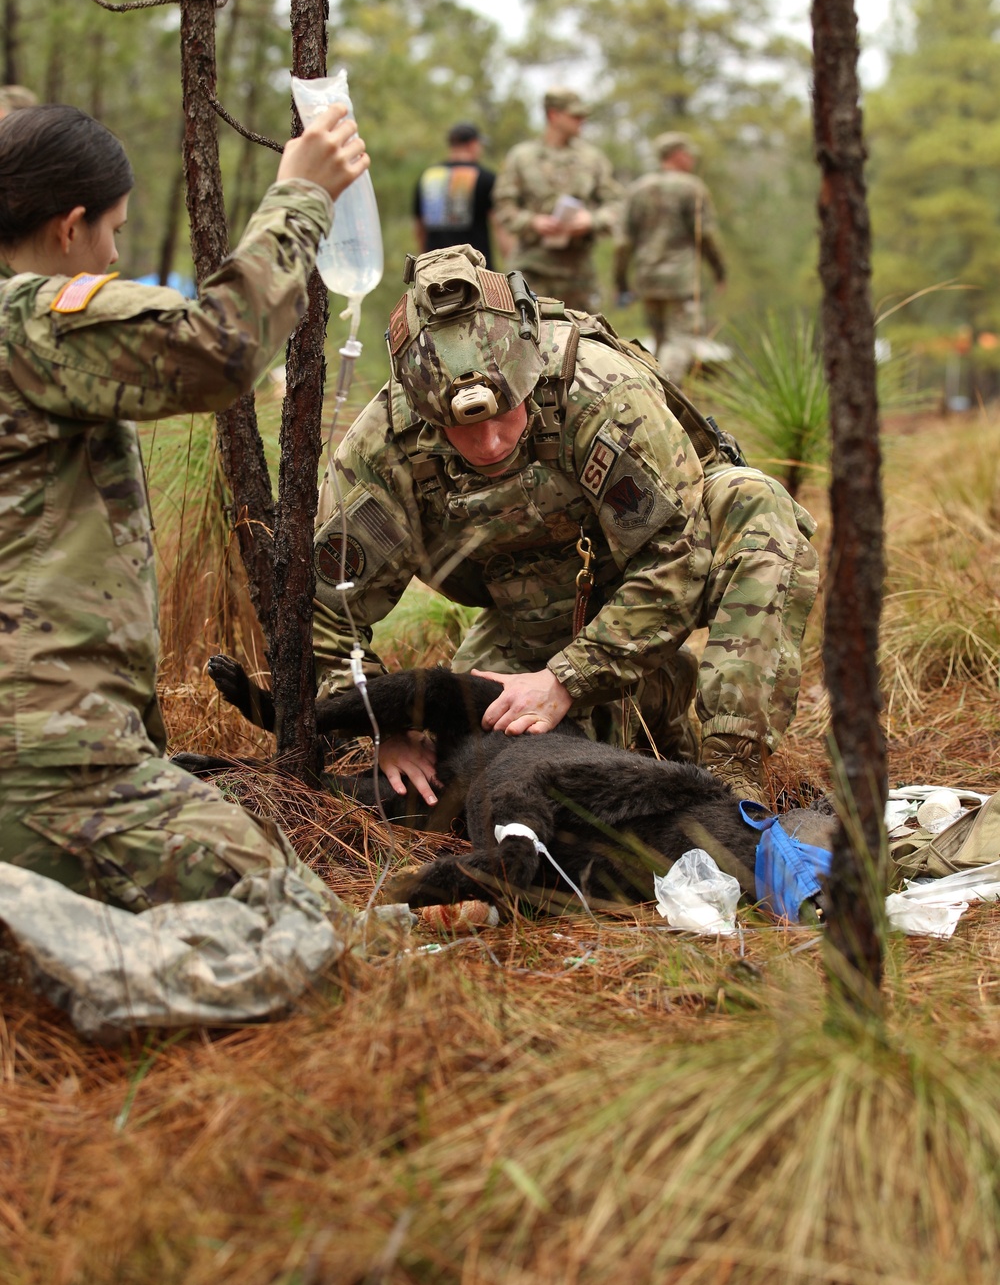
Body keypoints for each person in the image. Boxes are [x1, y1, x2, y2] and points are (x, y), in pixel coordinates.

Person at [0, 101, 368, 910]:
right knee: (303, 925)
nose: (117, 253)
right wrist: (301, 196)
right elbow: (219, 348)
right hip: (49, 769)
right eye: (116, 231)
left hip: (50, 751)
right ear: (69, 229)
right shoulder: (29, 321)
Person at [310, 245, 819, 808]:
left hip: (656, 570)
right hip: (532, 614)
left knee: (757, 503)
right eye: (461, 429)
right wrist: (382, 728)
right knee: (491, 761)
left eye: (505, 414)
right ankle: (659, 693)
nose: (490, 443)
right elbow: (329, 607)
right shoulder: (386, 446)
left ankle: (732, 777)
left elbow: (677, 556)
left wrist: (566, 680)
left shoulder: (600, 390)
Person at [492, 88, 622, 312]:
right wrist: (533, 222)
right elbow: (504, 205)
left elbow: (617, 204)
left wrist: (591, 220)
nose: (582, 121)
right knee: (529, 339)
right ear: (553, 115)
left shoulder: (592, 159)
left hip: (579, 274)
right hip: (532, 269)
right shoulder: (522, 157)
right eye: (575, 116)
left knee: (584, 340)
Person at [614, 132, 727, 380]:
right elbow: (706, 236)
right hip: (681, 280)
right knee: (680, 341)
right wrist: (720, 271)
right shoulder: (691, 188)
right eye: (689, 155)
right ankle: (666, 396)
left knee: (660, 341)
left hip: (647, 279)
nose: (692, 160)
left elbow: (622, 242)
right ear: (677, 155)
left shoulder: (637, 190)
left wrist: (621, 283)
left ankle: (653, 394)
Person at [413, 122, 497, 267]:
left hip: (436, 269)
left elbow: (419, 226)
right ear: (473, 144)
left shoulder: (428, 176)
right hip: (476, 269)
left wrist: (424, 259)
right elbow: (499, 224)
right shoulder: (486, 177)